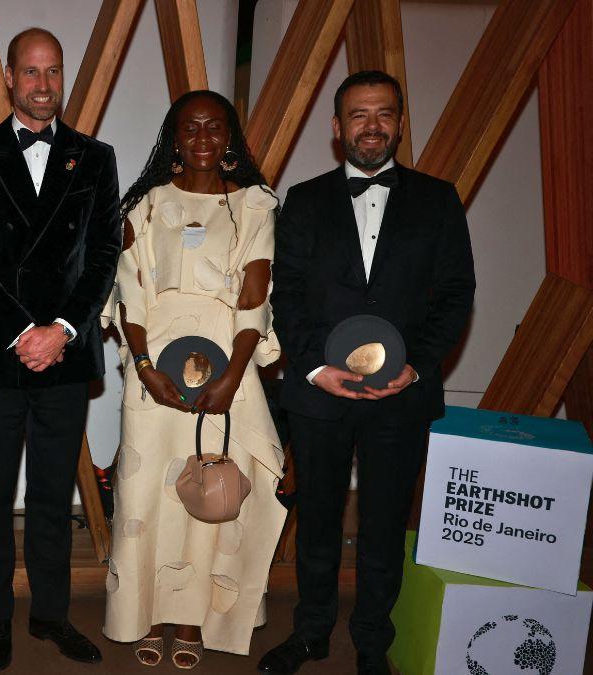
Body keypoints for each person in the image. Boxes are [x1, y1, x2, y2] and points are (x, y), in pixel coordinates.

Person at [263, 70, 475, 675]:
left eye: (384, 114)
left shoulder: (438, 199)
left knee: (383, 526)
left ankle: (372, 644)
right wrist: (310, 370)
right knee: (317, 523)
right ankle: (311, 633)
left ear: (400, 123)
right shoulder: (303, 201)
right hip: (320, 397)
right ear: (337, 128)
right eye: (359, 115)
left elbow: (456, 293)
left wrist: (416, 369)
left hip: (399, 396)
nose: (372, 126)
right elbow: (290, 295)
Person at [0, 27, 120, 671]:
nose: (43, 84)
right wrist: (25, 331)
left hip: (67, 356)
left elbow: (104, 256)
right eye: (31, 72)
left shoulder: (94, 157)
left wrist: (63, 331)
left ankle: (50, 615)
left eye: (54, 71)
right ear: (10, 78)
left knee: (53, 495)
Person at [101, 90, 287, 669]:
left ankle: (192, 620)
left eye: (214, 128)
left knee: (213, 493)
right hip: (152, 373)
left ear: (229, 137)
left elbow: (255, 296)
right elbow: (129, 296)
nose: (202, 138)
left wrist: (233, 376)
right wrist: (145, 367)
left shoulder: (255, 206)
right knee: (145, 493)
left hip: (228, 370)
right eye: (190, 128)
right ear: (173, 138)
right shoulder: (144, 207)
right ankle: (148, 615)